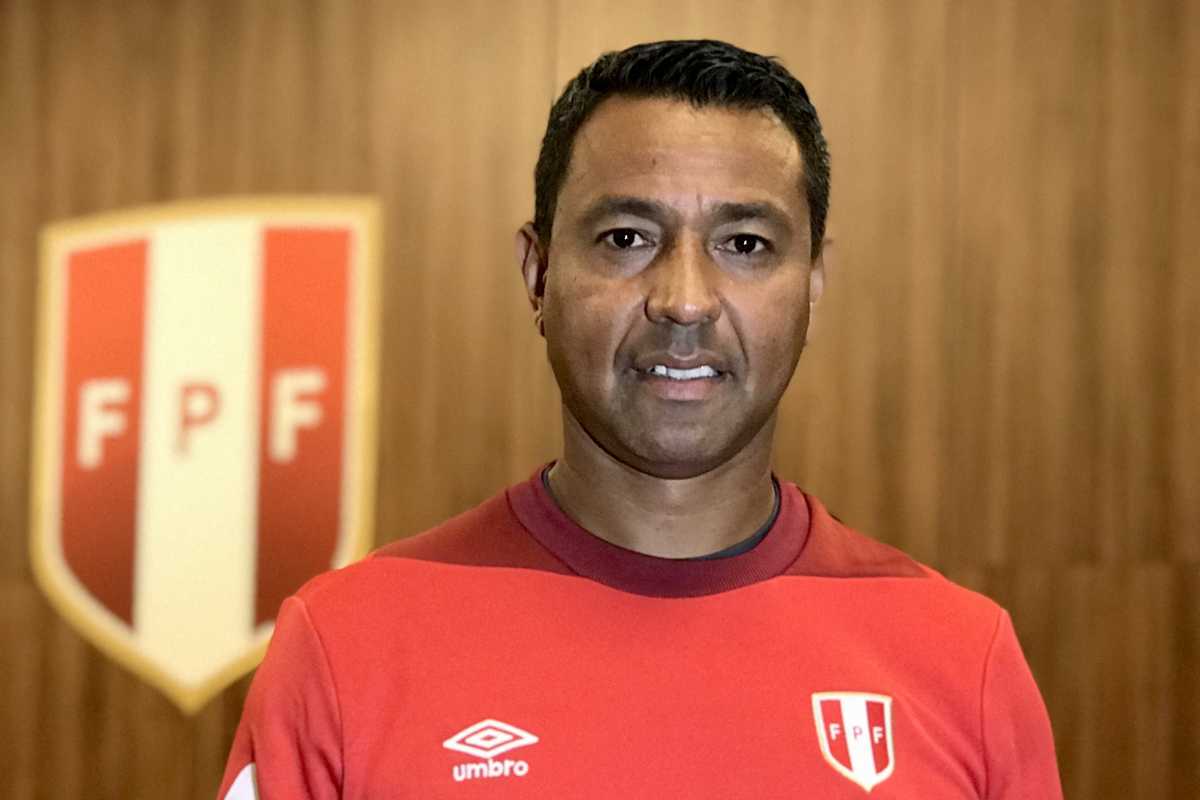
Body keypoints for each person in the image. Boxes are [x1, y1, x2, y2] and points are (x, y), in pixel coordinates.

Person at [218, 39, 1062, 798]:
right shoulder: (343, 648)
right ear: (538, 274)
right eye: (626, 238)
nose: (685, 300)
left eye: (745, 244)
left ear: (812, 284)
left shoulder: (961, 659)